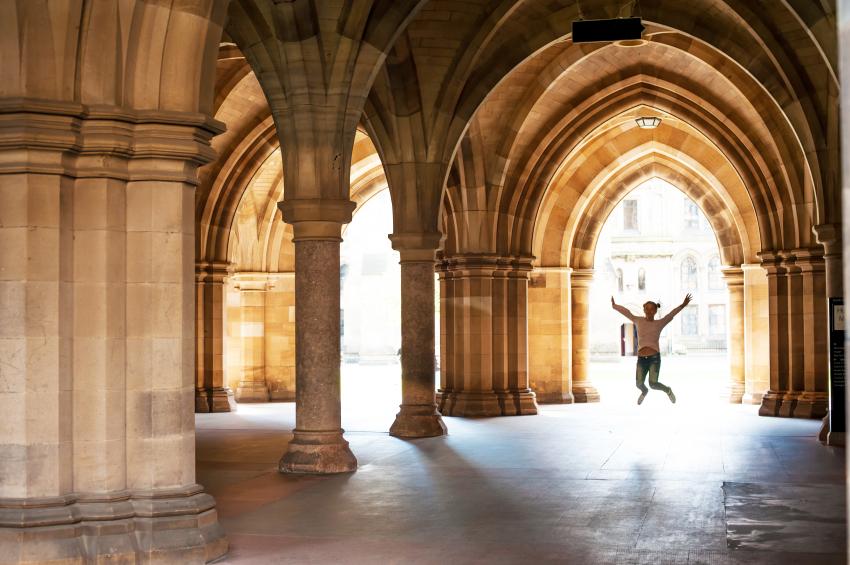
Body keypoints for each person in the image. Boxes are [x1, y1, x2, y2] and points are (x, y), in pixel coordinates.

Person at [611, 293, 692, 405]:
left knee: (653, 383)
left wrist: (683, 305)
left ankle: (668, 390)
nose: (649, 311)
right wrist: (615, 306)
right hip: (641, 359)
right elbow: (627, 312)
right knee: (639, 384)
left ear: (655, 311)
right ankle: (644, 391)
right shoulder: (638, 320)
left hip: (654, 358)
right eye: (647, 309)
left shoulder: (659, 323)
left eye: (652, 309)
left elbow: (671, 315)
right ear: (644, 310)